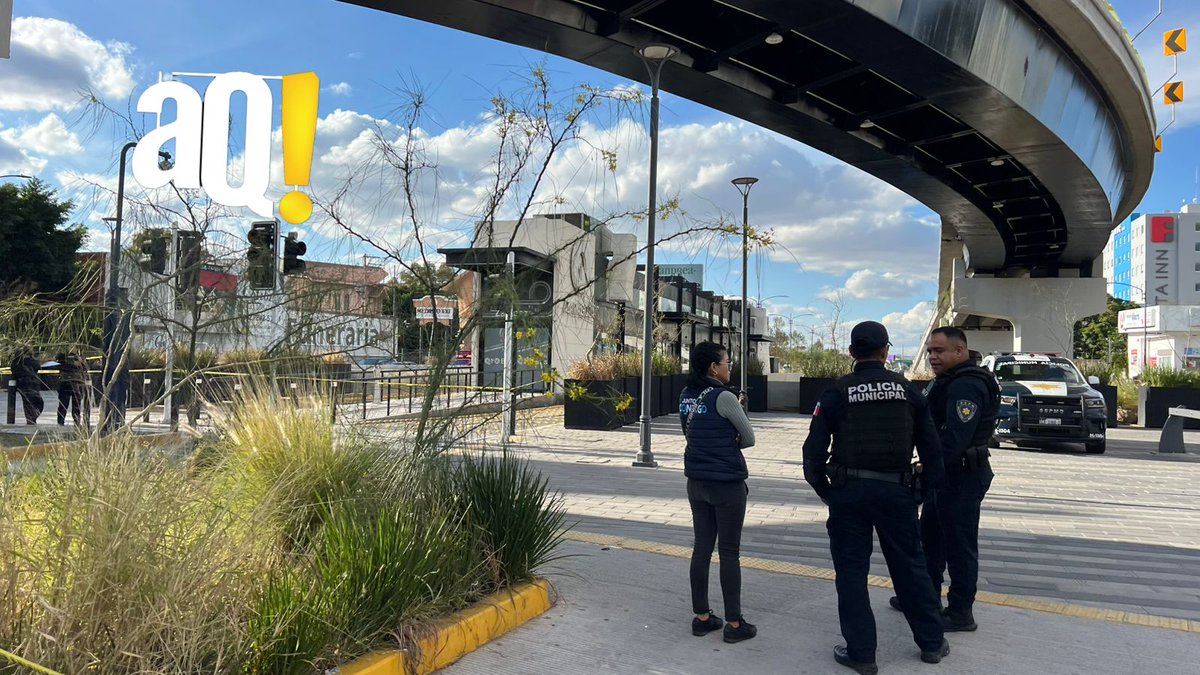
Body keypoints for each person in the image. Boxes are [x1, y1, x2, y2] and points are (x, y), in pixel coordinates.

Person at [802, 321, 949, 674]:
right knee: (910, 568)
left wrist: (828, 492)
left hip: (848, 493)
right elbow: (933, 453)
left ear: (852, 353)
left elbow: (812, 454)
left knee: (851, 573)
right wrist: (919, 492)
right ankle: (931, 643)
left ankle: (862, 654)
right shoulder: (909, 391)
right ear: (886, 351)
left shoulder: (837, 392)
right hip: (896, 492)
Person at [891, 327, 999, 632]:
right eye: (930, 351)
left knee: (959, 546)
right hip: (946, 475)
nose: (933, 357)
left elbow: (955, 439)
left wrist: (928, 465)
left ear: (959, 352)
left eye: (939, 351)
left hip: (961, 475)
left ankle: (961, 611)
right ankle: (925, 598)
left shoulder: (966, 386)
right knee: (932, 539)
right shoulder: (949, 381)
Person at [679, 340, 757, 644]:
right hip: (726, 485)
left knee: (701, 548)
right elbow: (748, 437)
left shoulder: (686, 395)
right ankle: (735, 623)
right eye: (726, 363)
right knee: (729, 552)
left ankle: (702, 617)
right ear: (714, 367)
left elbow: (689, 433)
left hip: (696, 481)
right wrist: (728, 442)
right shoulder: (724, 397)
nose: (729, 367)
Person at [9, 347, 44, 424]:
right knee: (35, 402)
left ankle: (31, 419)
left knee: (28, 403)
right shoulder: (23, 361)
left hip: (25, 385)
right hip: (29, 384)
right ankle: (31, 419)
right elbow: (37, 367)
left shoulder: (16, 362)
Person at [56, 350, 91, 427]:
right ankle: (61, 421)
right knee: (63, 404)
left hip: (77, 384)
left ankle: (77, 421)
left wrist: (81, 361)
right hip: (65, 383)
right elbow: (58, 362)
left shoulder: (79, 357)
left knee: (76, 405)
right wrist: (73, 362)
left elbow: (86, 368)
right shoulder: (63, 357)